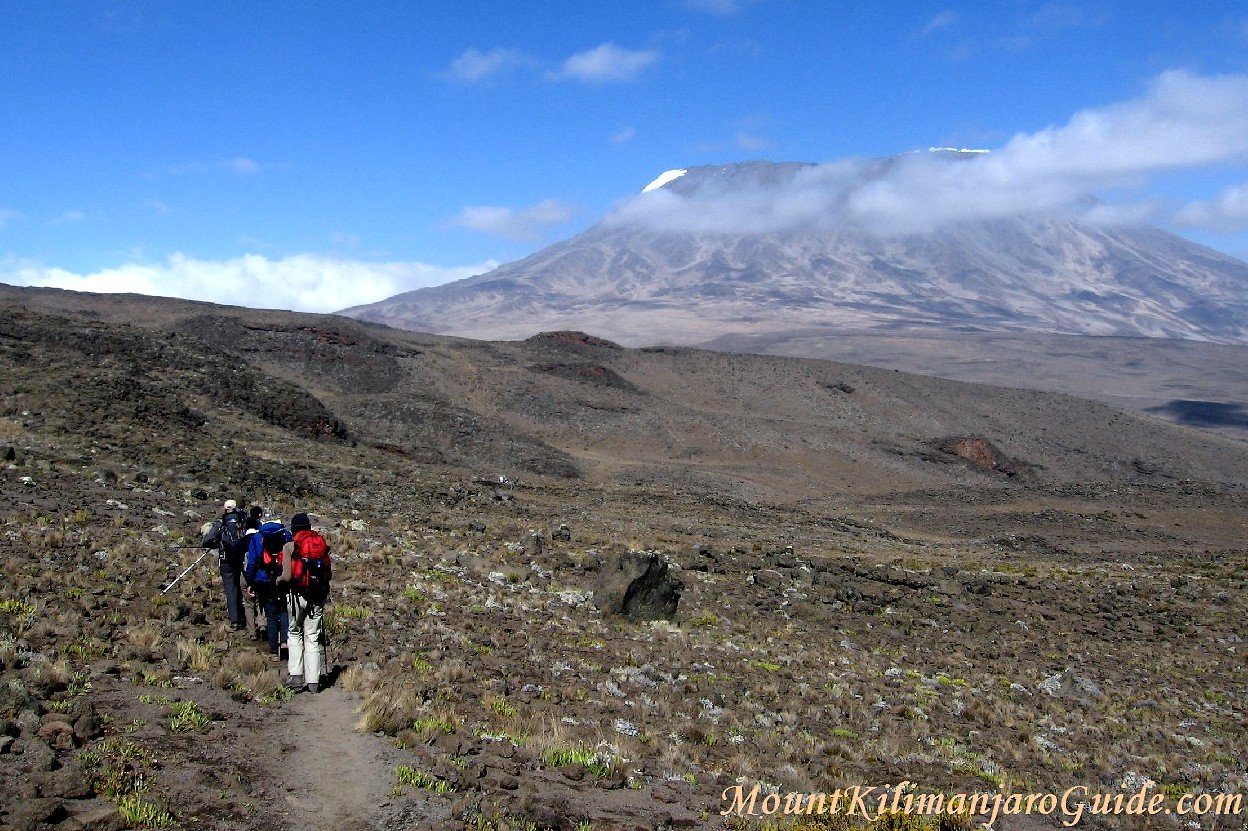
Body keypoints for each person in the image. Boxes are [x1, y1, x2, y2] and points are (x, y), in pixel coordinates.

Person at [282, 512, 332, 693]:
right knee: (312, 636)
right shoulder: (320, 544)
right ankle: (313, 682)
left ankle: (296, 676)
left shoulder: (290, 546)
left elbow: (287, 576)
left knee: (294, 633)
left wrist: (279, 580)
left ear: (293, 529)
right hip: (317, 596)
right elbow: (328, 574)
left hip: (296, 596)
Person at [244, 517, 291, 661]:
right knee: (283, 610)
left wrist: (249, 581)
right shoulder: (286, 536)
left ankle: (273, 647)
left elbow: (251, 562)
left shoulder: (257, 538)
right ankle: (284, 641)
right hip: (282, 578)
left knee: (270, 613)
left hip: (262, 579)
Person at [202, 499, 250, 632]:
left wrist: (217, 543)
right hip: (242, 559)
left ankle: (235, 620)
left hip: (226, 560)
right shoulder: (244, 520)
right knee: (244, 587)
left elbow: (207, 540)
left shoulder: (221, 522)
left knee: (231, 589)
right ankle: (249, 619)